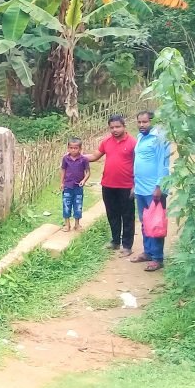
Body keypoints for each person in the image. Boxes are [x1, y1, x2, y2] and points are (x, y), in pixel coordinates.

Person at [86, 114, 137, 256]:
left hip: (126, 185)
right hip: (108, 184)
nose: (115, 130)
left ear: (124, 126)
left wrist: (135, 184)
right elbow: (95, 156)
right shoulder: (106, 142)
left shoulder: (133, 143)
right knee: (112, 214)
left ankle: (127, 246)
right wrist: (77, 157)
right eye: (112, 127)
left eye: (118, 126)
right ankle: (115, 241)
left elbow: (138, 164)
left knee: (127, 216)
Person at [131, 110, 170, 271]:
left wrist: (159, 186)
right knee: (144, 221)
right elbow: (137, 162)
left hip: (154, 189)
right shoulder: (140, 138)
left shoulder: (159, 139)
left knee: (156, 223)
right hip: (141, 188)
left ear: (151, 121)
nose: (141, 125)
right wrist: (134, 185)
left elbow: (164, 164)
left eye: (145, 122)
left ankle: (157, 258)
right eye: (139, 122)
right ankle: (147, 252)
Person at [61, 137, 90, 232]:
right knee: (66, 204)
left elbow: (88, 172)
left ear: (80, 149)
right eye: (71, 148)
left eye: (75, 148)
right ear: (68, 148)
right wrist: (62, 183)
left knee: (78, 205)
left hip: (78, 186)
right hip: (67, 186)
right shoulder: (65, 159)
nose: (73, 150)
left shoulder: (84, 159)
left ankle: (77, 224)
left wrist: (84, 180)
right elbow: (63, 170)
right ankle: (67, 224)